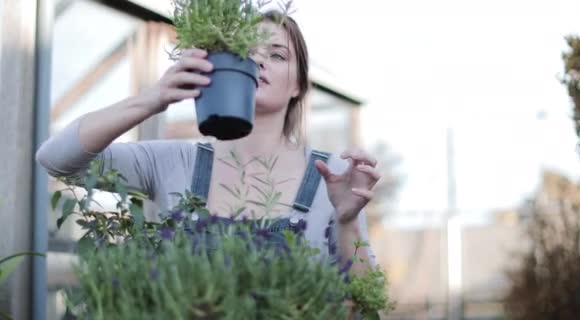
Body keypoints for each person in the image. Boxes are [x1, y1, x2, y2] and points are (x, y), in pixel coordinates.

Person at [36, 11, 380, 275]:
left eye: (277, 55)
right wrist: (152, 98)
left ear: (298, 86)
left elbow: (365, 303)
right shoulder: (176, 162)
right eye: (245, 51)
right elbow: (56, 158)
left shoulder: (330, 175)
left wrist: (348, 221)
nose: (258, 60)